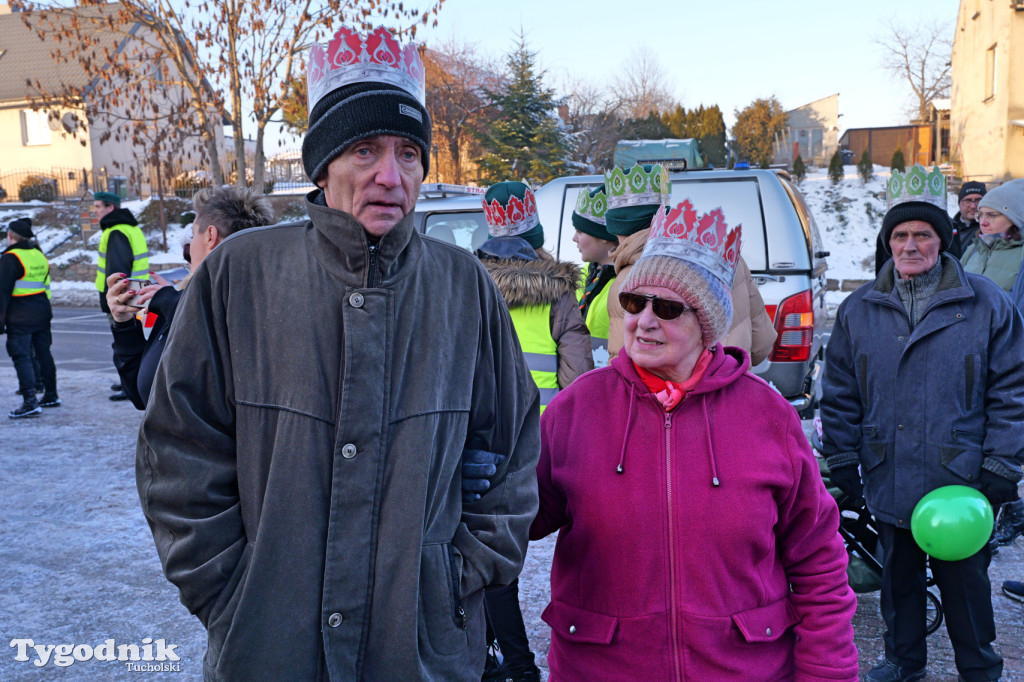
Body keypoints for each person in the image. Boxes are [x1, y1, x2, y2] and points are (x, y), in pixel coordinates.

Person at [136, 25, 539, 680]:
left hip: (419, 652)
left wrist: (459, 575)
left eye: (409, 153)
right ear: (322, 166)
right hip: (269, 646)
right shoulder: (242, 274)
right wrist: (229, 591)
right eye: (364, 150)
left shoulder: (463, 285)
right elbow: (179, 446)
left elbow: (514, 448)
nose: (390, 175)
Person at [531, 197, 859, 681]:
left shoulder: (768, 416)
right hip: (604, 668)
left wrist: (827, 671)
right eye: (634, 302)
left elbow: (818, 562)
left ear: (706, 323)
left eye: (666, 308)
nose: (644, 320)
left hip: (742, 669)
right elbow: (519, 517)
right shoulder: (578, 408)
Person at [821, 165, 1024, 682]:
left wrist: (1003, 463)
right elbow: (840, 391)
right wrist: (842, 456)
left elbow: (1013, 389)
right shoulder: (860, 308)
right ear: (887, 242)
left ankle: (979, 666)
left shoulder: (985, 303)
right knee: (898, 578)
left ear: (943, 240)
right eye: (900, 235)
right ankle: (903, 661)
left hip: (960, 474)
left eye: (923, 235)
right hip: (888, 468)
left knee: (965, 582)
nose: (910, 246)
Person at [475, 181, 591, 682]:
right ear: (536, 236)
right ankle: (519, 666)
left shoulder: (465, 282)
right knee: (509, 552)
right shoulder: (558, 293)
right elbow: (578, 380)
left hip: (478, 441)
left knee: (481, 553)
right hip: (538, 446)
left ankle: (495, 660)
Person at [105, 186, 274, 410]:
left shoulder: (249, 309)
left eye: (193, 235)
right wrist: (124, 325)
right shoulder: (180, 304)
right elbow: (141, 393)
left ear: (210, 236)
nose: (188, 248)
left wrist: (173, 303)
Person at [604, 164, 776, 364]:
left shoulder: (631, 282)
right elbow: (762, 344)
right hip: (733, 380)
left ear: (617, 229)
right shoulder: (723, 257)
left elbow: (624, 365)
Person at [478, 180, 593, 412]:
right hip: (542, 422)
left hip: (486, 423)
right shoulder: (558, 291)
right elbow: (576, 371)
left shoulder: (471, 286)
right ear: (535, 237)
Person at [969, 178, 1024, 549]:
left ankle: (1005, 509)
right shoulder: (974, 249)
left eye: (992, 214)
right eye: (981, 214)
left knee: (1006, 438)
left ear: (1014, 218)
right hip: (971, 358)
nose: (983, 220)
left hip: (1007, 360)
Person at [93, 190, 149, 401]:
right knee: (137, 340)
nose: (95, 211)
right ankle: (131, 381)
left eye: (98, 206)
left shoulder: (116, 231)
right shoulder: (129, 228)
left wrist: (115, 301)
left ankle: (131, 385)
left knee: (126, 342)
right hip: (136, 293)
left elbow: (117, 271)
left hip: (125, 298)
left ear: (110, 208)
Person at [1, 218, 59, 417]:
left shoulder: (10, 258)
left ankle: (29, 401)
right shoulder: (38, 254)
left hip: (20, 316)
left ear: (10, 236)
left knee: (21, 356)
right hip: (41, 312)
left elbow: (2, 292)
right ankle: (51, 394)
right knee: (43, 353)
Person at [571, 184, 617, 368]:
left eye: (580, 231)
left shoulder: (625, 282)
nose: (574, 238)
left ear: (603, 236)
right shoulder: (583, 276)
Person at [950, 181, 987, 258]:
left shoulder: (991, 230)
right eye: (967, 201)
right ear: (959, 203)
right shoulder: (949, 228)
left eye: (978, 200)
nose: (973, 206)